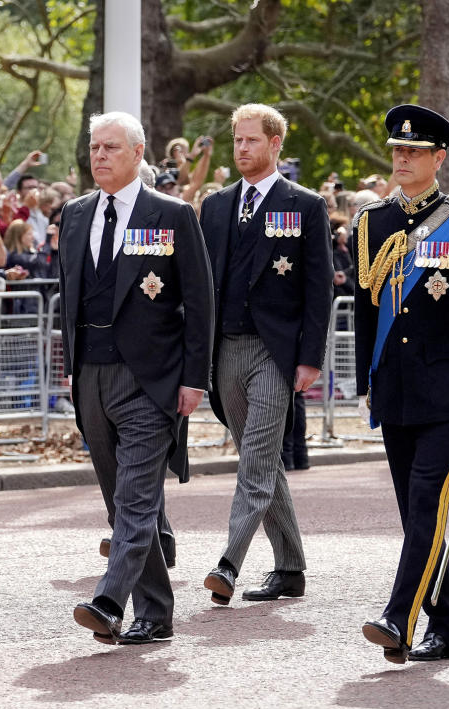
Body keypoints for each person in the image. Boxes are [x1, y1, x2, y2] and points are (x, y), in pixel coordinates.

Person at [352, 104, 449, 664]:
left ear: (439, 158)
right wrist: (364, 378)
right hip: (394, 389)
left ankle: (398, 618)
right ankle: (448, 632)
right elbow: (366, 312)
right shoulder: (372, 223)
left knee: (424, 502)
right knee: (418, 514)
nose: (402, 158)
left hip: (447, 390)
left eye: (414, 152)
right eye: (397, 150)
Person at [60, 112, 213, 645]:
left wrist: (196, 378)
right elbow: (69, 300)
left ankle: (109, 600)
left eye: (111, 147)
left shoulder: (171, 214)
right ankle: (157, 611)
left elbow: (199, 302)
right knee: (118, 499)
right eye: (94, 147)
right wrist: (71, 374)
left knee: (136, 498)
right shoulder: (76, 215)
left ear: (139, 151)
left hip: (151, 378)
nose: (99, 156)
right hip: (93, 376)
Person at [196, 103, 333, 606]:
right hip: (226, 350)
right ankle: (291, 567)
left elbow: (319, 290)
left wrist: (310, 358)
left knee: (255, 459)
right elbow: (203, 284)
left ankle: (228, 562)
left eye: (252, 140)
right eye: (237, 141)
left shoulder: (305, 205)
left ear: (276, 145)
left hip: (276, 353)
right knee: (262, 456)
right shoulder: (215, 206)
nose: (242, 149)